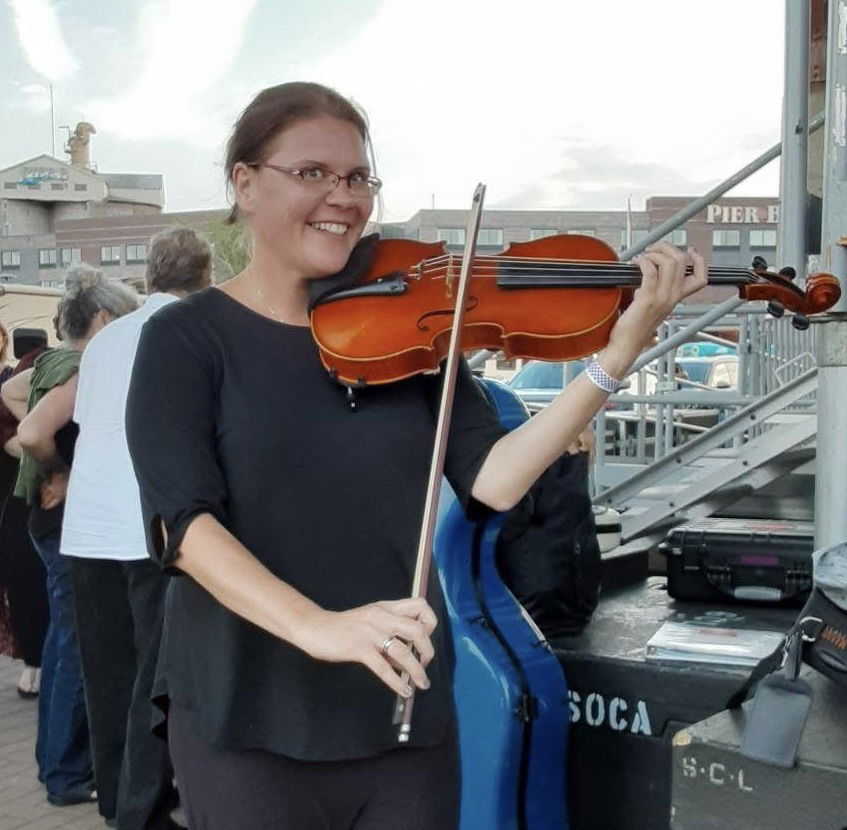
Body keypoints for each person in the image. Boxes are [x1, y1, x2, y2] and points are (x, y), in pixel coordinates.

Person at [125, 81, 708, 830]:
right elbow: (181, 525)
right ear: (244, 182)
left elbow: (493, 482)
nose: (344, 197)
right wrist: (319, 626)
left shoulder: (410, 336)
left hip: (401, 715)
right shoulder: (187, 339)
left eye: (357, 177)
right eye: (313, 173)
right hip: (250, 716)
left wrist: (614, 359)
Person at [60, 228, 211, 829]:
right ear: (206, 277)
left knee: (108, 679)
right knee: (155, 682)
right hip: (145, 528)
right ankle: (141, 813)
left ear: (148, 276)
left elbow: (84, 421)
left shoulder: (105, 340)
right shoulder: (197, 328)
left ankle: (116, 801)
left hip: (87, 529)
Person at [2, 267, 138, 808]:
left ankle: (55, 764)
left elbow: (17, 404)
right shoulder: (83, 367)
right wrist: (60, 469)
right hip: (63, 523)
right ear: (103, 320)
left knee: (66, 643)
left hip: (45, 521)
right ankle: (65, 772)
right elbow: (33, 432)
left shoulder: (51, 363)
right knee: (77, 646)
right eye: (126, 322)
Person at [0, 327, 50, 697]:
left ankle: (35, 663)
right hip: (21, 499)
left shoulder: (21, 376)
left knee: (28, 582)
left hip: (23, 498)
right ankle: (35, 662)